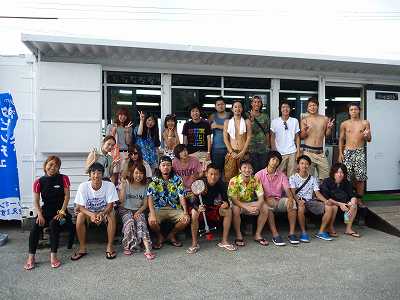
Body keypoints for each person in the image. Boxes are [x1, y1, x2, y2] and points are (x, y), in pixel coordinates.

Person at [24, 156, 73, 270]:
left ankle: (53, 256)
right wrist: (39, 214)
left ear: (59, 168)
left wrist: (62, 212)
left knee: (53, 224)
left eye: (56, 166)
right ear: (45, 166)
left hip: (61, 212)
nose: (53, 167)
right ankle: (31, 257)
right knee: (36, 226)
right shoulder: (39, 182)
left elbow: (67, 196)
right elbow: (36, 201)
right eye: (50, 164)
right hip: (45, 211)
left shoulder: (64, 178)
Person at [71, 163, 119, 261]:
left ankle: (110, 247)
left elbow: (110, 206)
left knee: (112, 214)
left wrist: (102, 214)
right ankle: (82, 248)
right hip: (89, 212)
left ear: (103, 174)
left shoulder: (109, 186)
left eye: (99, 173)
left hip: (104, 212)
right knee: (80, 216)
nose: (96, 175)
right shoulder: (83, 186)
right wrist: (92, 215)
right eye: (93, 173)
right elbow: (80, 207)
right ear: (89, 175)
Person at [187, 164, 236, 254]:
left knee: (228, 211)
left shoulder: (221, 184)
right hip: (199, 208)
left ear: (219, 175)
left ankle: (224, 241)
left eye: (216, 174)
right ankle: (194, 243)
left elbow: (226, 200)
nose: (213, 177)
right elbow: (191, 198)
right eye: (211, 174)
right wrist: (197, 207)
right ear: (206, 174)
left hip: (212, 207)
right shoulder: (199, 182)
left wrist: (226, 204)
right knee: (194, 213)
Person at [289, 155, 337, 242]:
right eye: (302, 163)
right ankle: (304, 233)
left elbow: (317, 194)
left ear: (309, 166)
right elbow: (292, 192)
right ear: (298, 165)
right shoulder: (293, 178)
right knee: (301, 207)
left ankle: (321, 232)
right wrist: (298, 201)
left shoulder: (313, 179)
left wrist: (326, 201)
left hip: (310, 201)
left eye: (307, 164)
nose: (304, 165)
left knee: (329, 207)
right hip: (299, 201)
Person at [255, 150, 297, 246]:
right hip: (265, 200)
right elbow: (257, 192)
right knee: (267, 208)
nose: (275, 162)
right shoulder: (259, 175)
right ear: (268, 160)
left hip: (278, 200)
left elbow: (287, 190)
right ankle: (275, 234)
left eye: (277, 160)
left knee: (292, 203)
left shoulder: (282, 175)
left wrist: (290, 198)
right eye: (273, 159)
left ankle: (291, 233)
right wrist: (266, 199)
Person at [147, 156, 190, 249]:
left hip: (174, 207)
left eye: (168, 165)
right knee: (152, 221)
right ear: (159, 167)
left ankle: (172, 235)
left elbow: (181, 196)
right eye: (163, 165)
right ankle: (160, 236)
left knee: (186, 220)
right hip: (159, 208)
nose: (165, 167)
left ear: (171, 167)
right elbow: (149, 198)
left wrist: (186, 212)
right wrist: (152, 213)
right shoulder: (153, 180)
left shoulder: (177, 179)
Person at [228, 159, 270, 247]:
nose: (247, 170)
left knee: (265, 207)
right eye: (244, 167)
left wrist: (258, 206)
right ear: (240, 169)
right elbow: (234, 200)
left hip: (249, 203)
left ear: (253, 170)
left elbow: (261, 197)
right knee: (236, 209)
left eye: (250, 168)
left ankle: (258, 234)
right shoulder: (233, 181)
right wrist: (247, 208)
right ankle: (238, 235)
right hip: (237, 203)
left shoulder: (255, 179)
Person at [118, 164, 155, 260]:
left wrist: (138, 212)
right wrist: (122, 188)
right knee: (129, 222)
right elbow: (121, 201)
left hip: (139, 209)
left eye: (141, 173)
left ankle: (147, 249)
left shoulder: (145, 186)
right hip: (125, 209)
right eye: (136, 173)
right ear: (132, 173)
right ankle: (127, 245)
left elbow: (145, 205)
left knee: (141, 222)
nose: (138, 175)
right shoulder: (126, 183)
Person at [338, 102, 371, 204]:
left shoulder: (365, 123)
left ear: (359, 110)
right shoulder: (344, 124)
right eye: (351, 110)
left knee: (360, 177)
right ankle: (347, 197)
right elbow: (341, 139)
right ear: (349, 111)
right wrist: (340, 153)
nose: (353, 111)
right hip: (347, 152)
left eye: (355, 109)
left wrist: (367, 135)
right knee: (346, 177)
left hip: (359, 152)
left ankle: (359, 199)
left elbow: (369, 139)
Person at [320, 163, 361, 238]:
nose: (339, 174)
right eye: (337, 172)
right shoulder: (327, 181)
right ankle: (329, 227)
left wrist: (352, 202)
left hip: (344, 205)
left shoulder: (346, 182)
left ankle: (348, 229)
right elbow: (327, 198)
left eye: (342, 172)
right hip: (331, 203)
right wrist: (340, 204)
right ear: (333, 173)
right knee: (334, 206)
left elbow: (352, 195)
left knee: (354, 206)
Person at [300, 97, 334, 180]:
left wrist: (329, 128)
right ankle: (310, 193)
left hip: (320, 152)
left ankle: (322, 192)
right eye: (310, 106)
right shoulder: (305, 120)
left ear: (317, 106)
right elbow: (302, 136)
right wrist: (304, 131)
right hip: (308, 152)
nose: (312, 107)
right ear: (307, 108)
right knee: (307, 178)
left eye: (314, 105)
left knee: (325, 177)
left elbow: (327, 135)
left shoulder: (325, 119)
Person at [223, 100, 252, 182]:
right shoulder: (227, 122)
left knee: (245, 177)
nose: (237, 108)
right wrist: (231, 152)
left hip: (244, 153)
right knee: (230, 177)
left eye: (239, 106)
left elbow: (249, 137)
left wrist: (243, 151)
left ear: (242, 109)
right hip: (232, 153)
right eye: (235, 107)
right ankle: (231, 194)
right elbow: (225, 138)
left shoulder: (247, 121)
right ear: (232, 109)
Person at [270, 101, 300, 177]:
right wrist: (274, 152)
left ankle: (290, 189)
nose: (285, 109)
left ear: (290, 109)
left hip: (292, 151)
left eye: (287, 107)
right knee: (279, 174)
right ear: (280, 109)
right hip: (279, 152)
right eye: (283, 107)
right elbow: (272, 137)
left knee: (292, 175)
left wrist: (298, 151)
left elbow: (297, 137)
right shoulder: (274, 121)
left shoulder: (295, 121)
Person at [182, 103, 212, 172]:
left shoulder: (206, 123)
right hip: (191, 154)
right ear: (190, 113)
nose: (195, 113)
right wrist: (185, 154)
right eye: (192, 111)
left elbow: (209, 139)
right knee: (192, 173)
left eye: (196, 111)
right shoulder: (186, 125)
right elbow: (185, 141)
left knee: (206, 172)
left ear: (200, 112)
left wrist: (208, 153)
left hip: (204, 153)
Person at [106, 108, 133, 177]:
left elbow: (128, 143)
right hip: (113, 153)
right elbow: (108, 140)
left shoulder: (129, 127)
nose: (123, 117)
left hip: (124, 152)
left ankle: (121, 188)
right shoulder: (111, 126)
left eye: (125, 115)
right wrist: (113, 131)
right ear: (117, 115)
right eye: (121, 114)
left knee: (123, 175)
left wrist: (127, 131)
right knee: (112, 174)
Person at [248, 95, 270, 173]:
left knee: (263, 171)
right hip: (251, 149)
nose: (257, 104)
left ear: (261, 104)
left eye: (259, 102)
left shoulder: (265, 117)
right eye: (255, 102)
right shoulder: (246, 116)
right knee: (252, 171)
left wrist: (268, 146)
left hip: (263, 149)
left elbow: (267, 132)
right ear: (251, 103)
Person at [208, 97, 230, 173]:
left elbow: (233, 129)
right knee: (216, 171)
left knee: (229, 171)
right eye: (218, 104)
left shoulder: (230, 116)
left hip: (229, 148)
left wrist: (217, 126)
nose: (220, 106)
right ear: (215, 106)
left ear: (225, 105)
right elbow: (208, 132)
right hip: (216, 149)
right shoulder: (212, 116)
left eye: (222, 104)